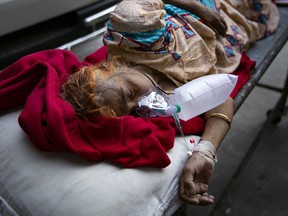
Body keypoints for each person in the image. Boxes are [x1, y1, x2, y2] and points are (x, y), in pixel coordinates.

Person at [61, 0, 279, 205]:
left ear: (112, 66)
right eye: (132, 112)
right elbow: (222, 102)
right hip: (233, 33)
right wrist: (205, 153)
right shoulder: (167, 94)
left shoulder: (129, 27)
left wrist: (199, 9)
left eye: (129, 93)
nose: (142, 104)